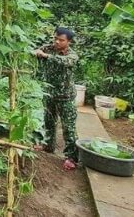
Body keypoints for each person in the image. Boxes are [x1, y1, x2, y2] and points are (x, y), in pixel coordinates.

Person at [34, 27, 80, 171]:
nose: (57, 42)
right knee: (49, 122)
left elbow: (65, 62)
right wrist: (36, 53)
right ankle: (48, 146)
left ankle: (71, 157)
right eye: (56, 38)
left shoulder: (72, 55)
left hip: (66, 96)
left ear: (69, 42)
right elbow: (35, 51)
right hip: (50, 94)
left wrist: (46, 56)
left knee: (69, 127)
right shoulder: (48, 48)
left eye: (61, 40)